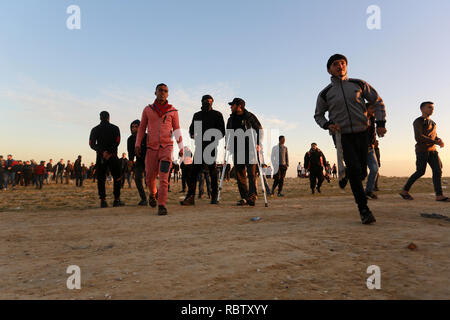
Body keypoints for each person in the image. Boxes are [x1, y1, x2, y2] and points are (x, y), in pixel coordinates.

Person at [314, 54, 386, 224]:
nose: (340, 66)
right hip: (342, 136)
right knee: (354, 170)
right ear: (329, 70)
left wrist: (381, 123)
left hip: (363, 133)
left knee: (361, 171)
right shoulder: (325, 94)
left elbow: (377, 101)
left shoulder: (358, 84)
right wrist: (328, 125)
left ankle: (347, 173)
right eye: (335, 64)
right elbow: (318, 115)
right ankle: (364, 209)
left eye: (343, 63)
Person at [135, 83, 184, 215]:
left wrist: (181, 147)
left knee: (164, 178)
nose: (163, 92)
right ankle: (153, 194)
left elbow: (177, 129)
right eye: (160, 90)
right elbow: (141, 128)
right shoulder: (148, 109)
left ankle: (162, 205)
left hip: (166, 148)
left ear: (168, 94)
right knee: (149, 177)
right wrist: (138, 144)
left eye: (165, 91)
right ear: (155, 92)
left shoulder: (172, 111)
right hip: (151, 148)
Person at [180, 95, 225, 205]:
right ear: (202, 102)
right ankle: (190, 197)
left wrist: (211, 137)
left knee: (213, 173)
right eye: (206, 101)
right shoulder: (197, 115)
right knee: (194, 173)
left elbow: (222, 131)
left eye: (210, 101)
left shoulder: (217, 115)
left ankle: (214, 196)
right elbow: (191, 128)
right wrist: (192, 134)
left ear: (212, 103)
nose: (208, 103)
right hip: (199, 147)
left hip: (211, 147)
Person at [400, 102, 448, 201]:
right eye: (429, 107)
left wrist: (439, 140)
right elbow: (418, 137)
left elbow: (434, 136)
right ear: (422, 109)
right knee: (420, 171)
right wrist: (435, 141)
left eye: (433, 108)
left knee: (437, 170)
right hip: (422, 150)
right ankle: (404, 191)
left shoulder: (433, 123)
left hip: (433, 150)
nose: (432, 109)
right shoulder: (418, 121)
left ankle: (439, 196)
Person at [226, 98, 263, 206]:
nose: (230, 107)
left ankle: (252, 196)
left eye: (232, 105)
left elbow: (259, 129)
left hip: (250, 148)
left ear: (239, 106)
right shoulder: (231, 119)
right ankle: (245, 197)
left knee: (251, 174)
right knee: (240, 174)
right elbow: (228, 133)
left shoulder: (249, 116)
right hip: (237, 149)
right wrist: (227, 144)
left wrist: (258, 143)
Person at [89, 111, 124, 207]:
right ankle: (116, 200)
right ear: (109, 117)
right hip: (113, 156)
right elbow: (117, 142)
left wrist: (102, 152)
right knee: (117, 178)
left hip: (100, 157)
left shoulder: (95, 129)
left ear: (100, 118)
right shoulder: (115, 128)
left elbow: (91, 144)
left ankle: (103, 200)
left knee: (101, 179)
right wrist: (110, 152)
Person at [127, 119, 148, 206]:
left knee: (150, 180)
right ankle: (143, 198)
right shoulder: (130, 139)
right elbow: (130, 152)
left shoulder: (147, 137)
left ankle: (155, 195)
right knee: (137, 179)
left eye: (136, 126)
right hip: (139, 162)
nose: (134, 128)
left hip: (148, 160)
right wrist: (131, 161)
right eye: (132, 127)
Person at [365, 104, 379, 199]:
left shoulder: (372, 119)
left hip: (370, 148)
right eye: (371, 108)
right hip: (359, 148)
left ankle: (368, 191)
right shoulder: (359, 119)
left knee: (375, 169)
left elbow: (372, 133)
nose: (374, 110)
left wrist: (373, 142)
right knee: (359, 171)